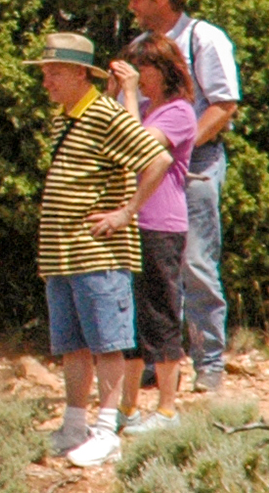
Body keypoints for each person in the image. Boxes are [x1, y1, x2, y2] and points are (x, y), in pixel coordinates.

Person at [29, 34, 172, 470]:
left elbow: (158, 159)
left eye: (53, 72)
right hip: (63, 254)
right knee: (72, 344)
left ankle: (107, 430)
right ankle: (75, 425)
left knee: (108, 344)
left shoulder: (105, 114)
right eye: (45, 72)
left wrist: (126, 213)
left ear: (79, 74)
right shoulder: (65, 118)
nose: (46, 80)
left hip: (98, 254)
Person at [111, 0, 240, 394]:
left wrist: (181, 146)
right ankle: (160, 359)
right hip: (153, 168)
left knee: (196, 261)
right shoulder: (143, 45)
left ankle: (208, 363)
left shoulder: (205, 39)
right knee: (154, 266)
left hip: (195, 166)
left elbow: (223, 106)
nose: (132, 4)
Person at [106, 36, 196, 433]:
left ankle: (167, 409)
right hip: (130, 224)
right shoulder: (142, 107)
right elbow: (108, 140)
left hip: (161, 223)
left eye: (143, 68)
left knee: (161, 314)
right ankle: (127, 407)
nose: (138, 77)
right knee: (130, 321)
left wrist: (126, 94)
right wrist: (113, 95)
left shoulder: (179, 113)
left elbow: (138, 147)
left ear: (164, 70)